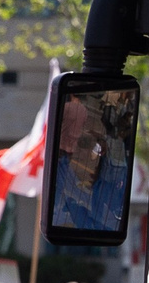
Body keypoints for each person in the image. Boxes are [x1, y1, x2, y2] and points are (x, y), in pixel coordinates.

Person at [51, 92, 133, 234]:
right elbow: (98, 156)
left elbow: (97, 155)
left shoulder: (108, 140)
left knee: (97, 199)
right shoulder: (85, 113)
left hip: (108, 175)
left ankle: (70, 204)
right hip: (111, 174)